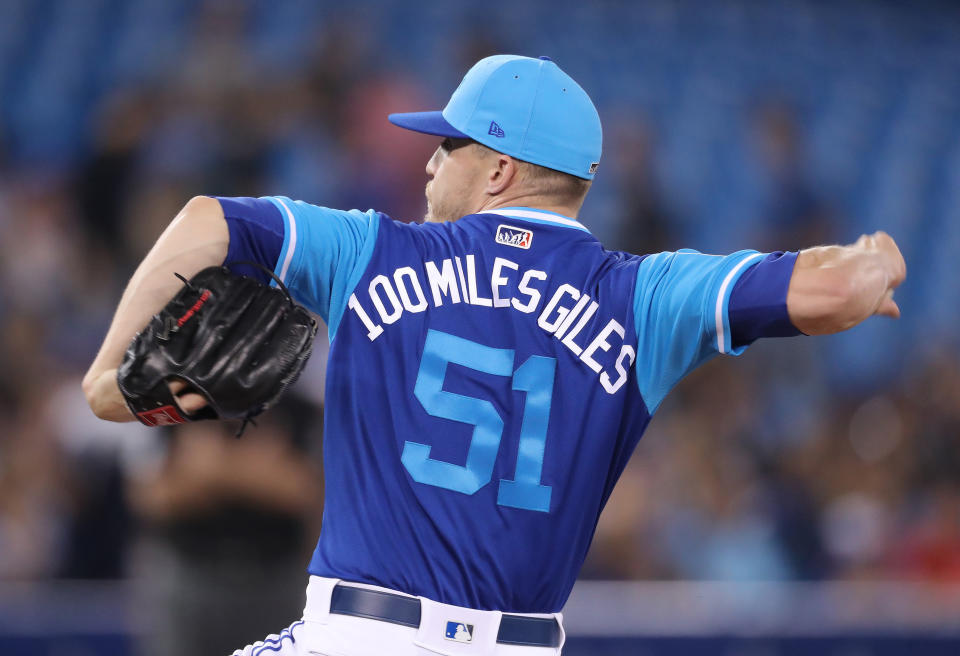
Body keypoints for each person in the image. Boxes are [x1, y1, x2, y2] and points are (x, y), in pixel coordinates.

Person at [82, 55, 905, 656]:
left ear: (500, 169)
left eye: (451, 148)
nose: (432, 162)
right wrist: (876, 260)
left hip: (362, 636)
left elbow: (204, 219)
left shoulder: (373, 252)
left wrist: (108, 382)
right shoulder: (642, 297)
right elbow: (833, 294)